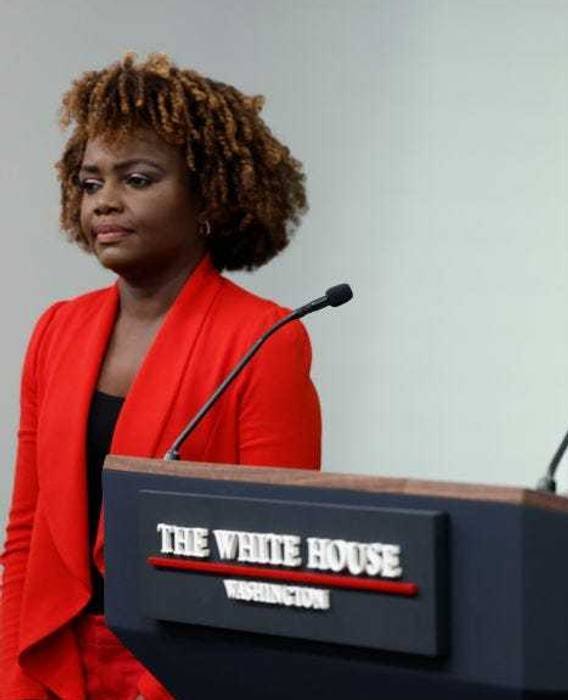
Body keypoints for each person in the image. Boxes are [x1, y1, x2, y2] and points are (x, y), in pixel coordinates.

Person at [0, 54, 322, 700]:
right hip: (54, 662)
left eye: (137, 179)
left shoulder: (262, 340)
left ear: (209, 196)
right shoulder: (57, 331)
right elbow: (27, 536)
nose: (105, 202)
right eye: (91, 184)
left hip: (188, 673)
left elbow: (273, 567)